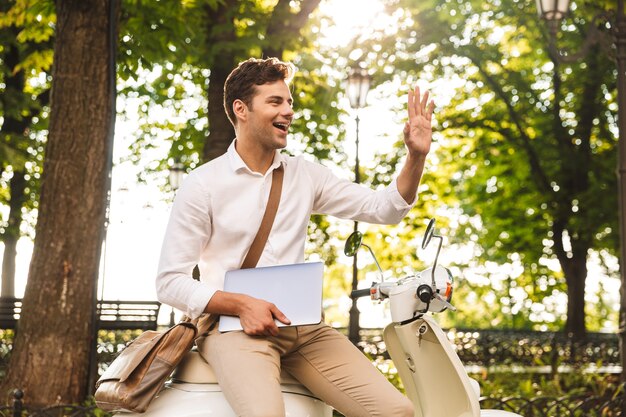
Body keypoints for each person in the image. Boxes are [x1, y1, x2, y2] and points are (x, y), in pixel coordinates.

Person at [156, 57, 435, 417]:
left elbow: (386, 208)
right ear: (241, 109)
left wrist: (415, 156)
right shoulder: (203, 184)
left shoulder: (304, 175)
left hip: (304, 329)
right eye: (275, 102)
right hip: (235, 330)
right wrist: (242, 304)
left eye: (289, 102)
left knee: (396, 412)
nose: (288, 111)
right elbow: (169, 282)